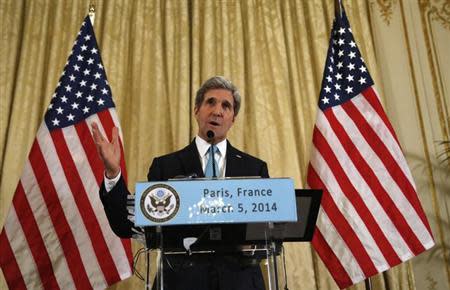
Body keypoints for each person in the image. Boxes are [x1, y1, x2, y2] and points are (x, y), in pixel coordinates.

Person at [92, 76, 269, 290]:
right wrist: (113, 172)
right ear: (196, 110)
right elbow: (125, 224)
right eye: (210, 102)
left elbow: (267, 235)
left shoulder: (254, 169)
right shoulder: (165, 167)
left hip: (239, 282)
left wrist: (251, 246)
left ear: (233, 118)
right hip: (181, 282)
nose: (217, 111)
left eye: (226, 106)